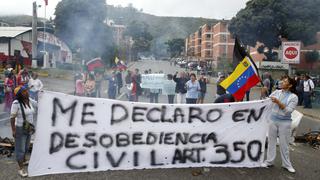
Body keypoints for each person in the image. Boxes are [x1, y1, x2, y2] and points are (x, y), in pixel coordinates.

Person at [261, 77, 298, 173]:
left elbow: (288, 111)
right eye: (283, 80)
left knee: (284, 144)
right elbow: (267, 101)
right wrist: (264, 93)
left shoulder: (293, 97)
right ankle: (269, 162)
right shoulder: (277, 92)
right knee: (271, 142)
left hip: (285, 123)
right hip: (272, 121)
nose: (282, 82)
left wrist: (278, 102)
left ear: (290, 85)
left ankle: (287, 164)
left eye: (285, 81)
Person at [10, 85, 37, 177]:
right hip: (20, 129)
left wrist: (43, 96)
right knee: (20, 149)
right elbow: (12, 118)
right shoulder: (16, 103)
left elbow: (38, 104)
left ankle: (24, 160)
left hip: (29, 128)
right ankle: (21, 169)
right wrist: (13, 130)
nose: (26, 92)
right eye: (24, 91)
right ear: (19, 94)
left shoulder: (29, 100)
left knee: (26, 147)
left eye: (26, 90)